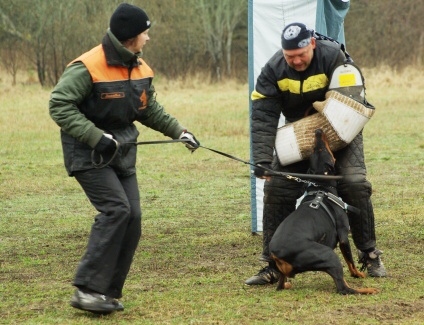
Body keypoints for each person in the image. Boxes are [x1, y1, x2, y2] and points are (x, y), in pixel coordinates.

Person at [49, 3, 200, 314]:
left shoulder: (140, 67)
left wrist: (178, 131)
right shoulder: (87, 66)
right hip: (88, 152)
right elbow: (59, 106)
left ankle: (105, 293)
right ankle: (87, 290)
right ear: (131, 36)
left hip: (123, 153)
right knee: (116, 210)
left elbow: (147, 109)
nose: (147, 38)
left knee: (132, 218)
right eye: (144, 33)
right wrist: (96, 137)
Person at [245, 22, 386, 286]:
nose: (296, 61)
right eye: (290, 57)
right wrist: (262, 160)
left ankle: (369, 253)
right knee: (277, 188)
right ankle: (272, 264)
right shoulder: (273, 71)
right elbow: (263, 118)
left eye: (301, 54)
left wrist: (326, 116)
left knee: (354, 182)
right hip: (299, 135)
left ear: (311, 44)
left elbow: (353, 98)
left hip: (342, 129)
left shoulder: (333, 57)